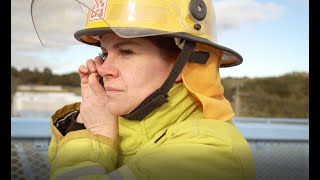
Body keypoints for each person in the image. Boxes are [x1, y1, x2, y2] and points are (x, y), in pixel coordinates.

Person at [31, 0, 255, 179]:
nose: (105, 68)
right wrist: (82, 122)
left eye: (126, 52)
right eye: (105, 54)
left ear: (183, 65)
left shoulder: (211, 151)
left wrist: (95, 136)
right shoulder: (116, 121)